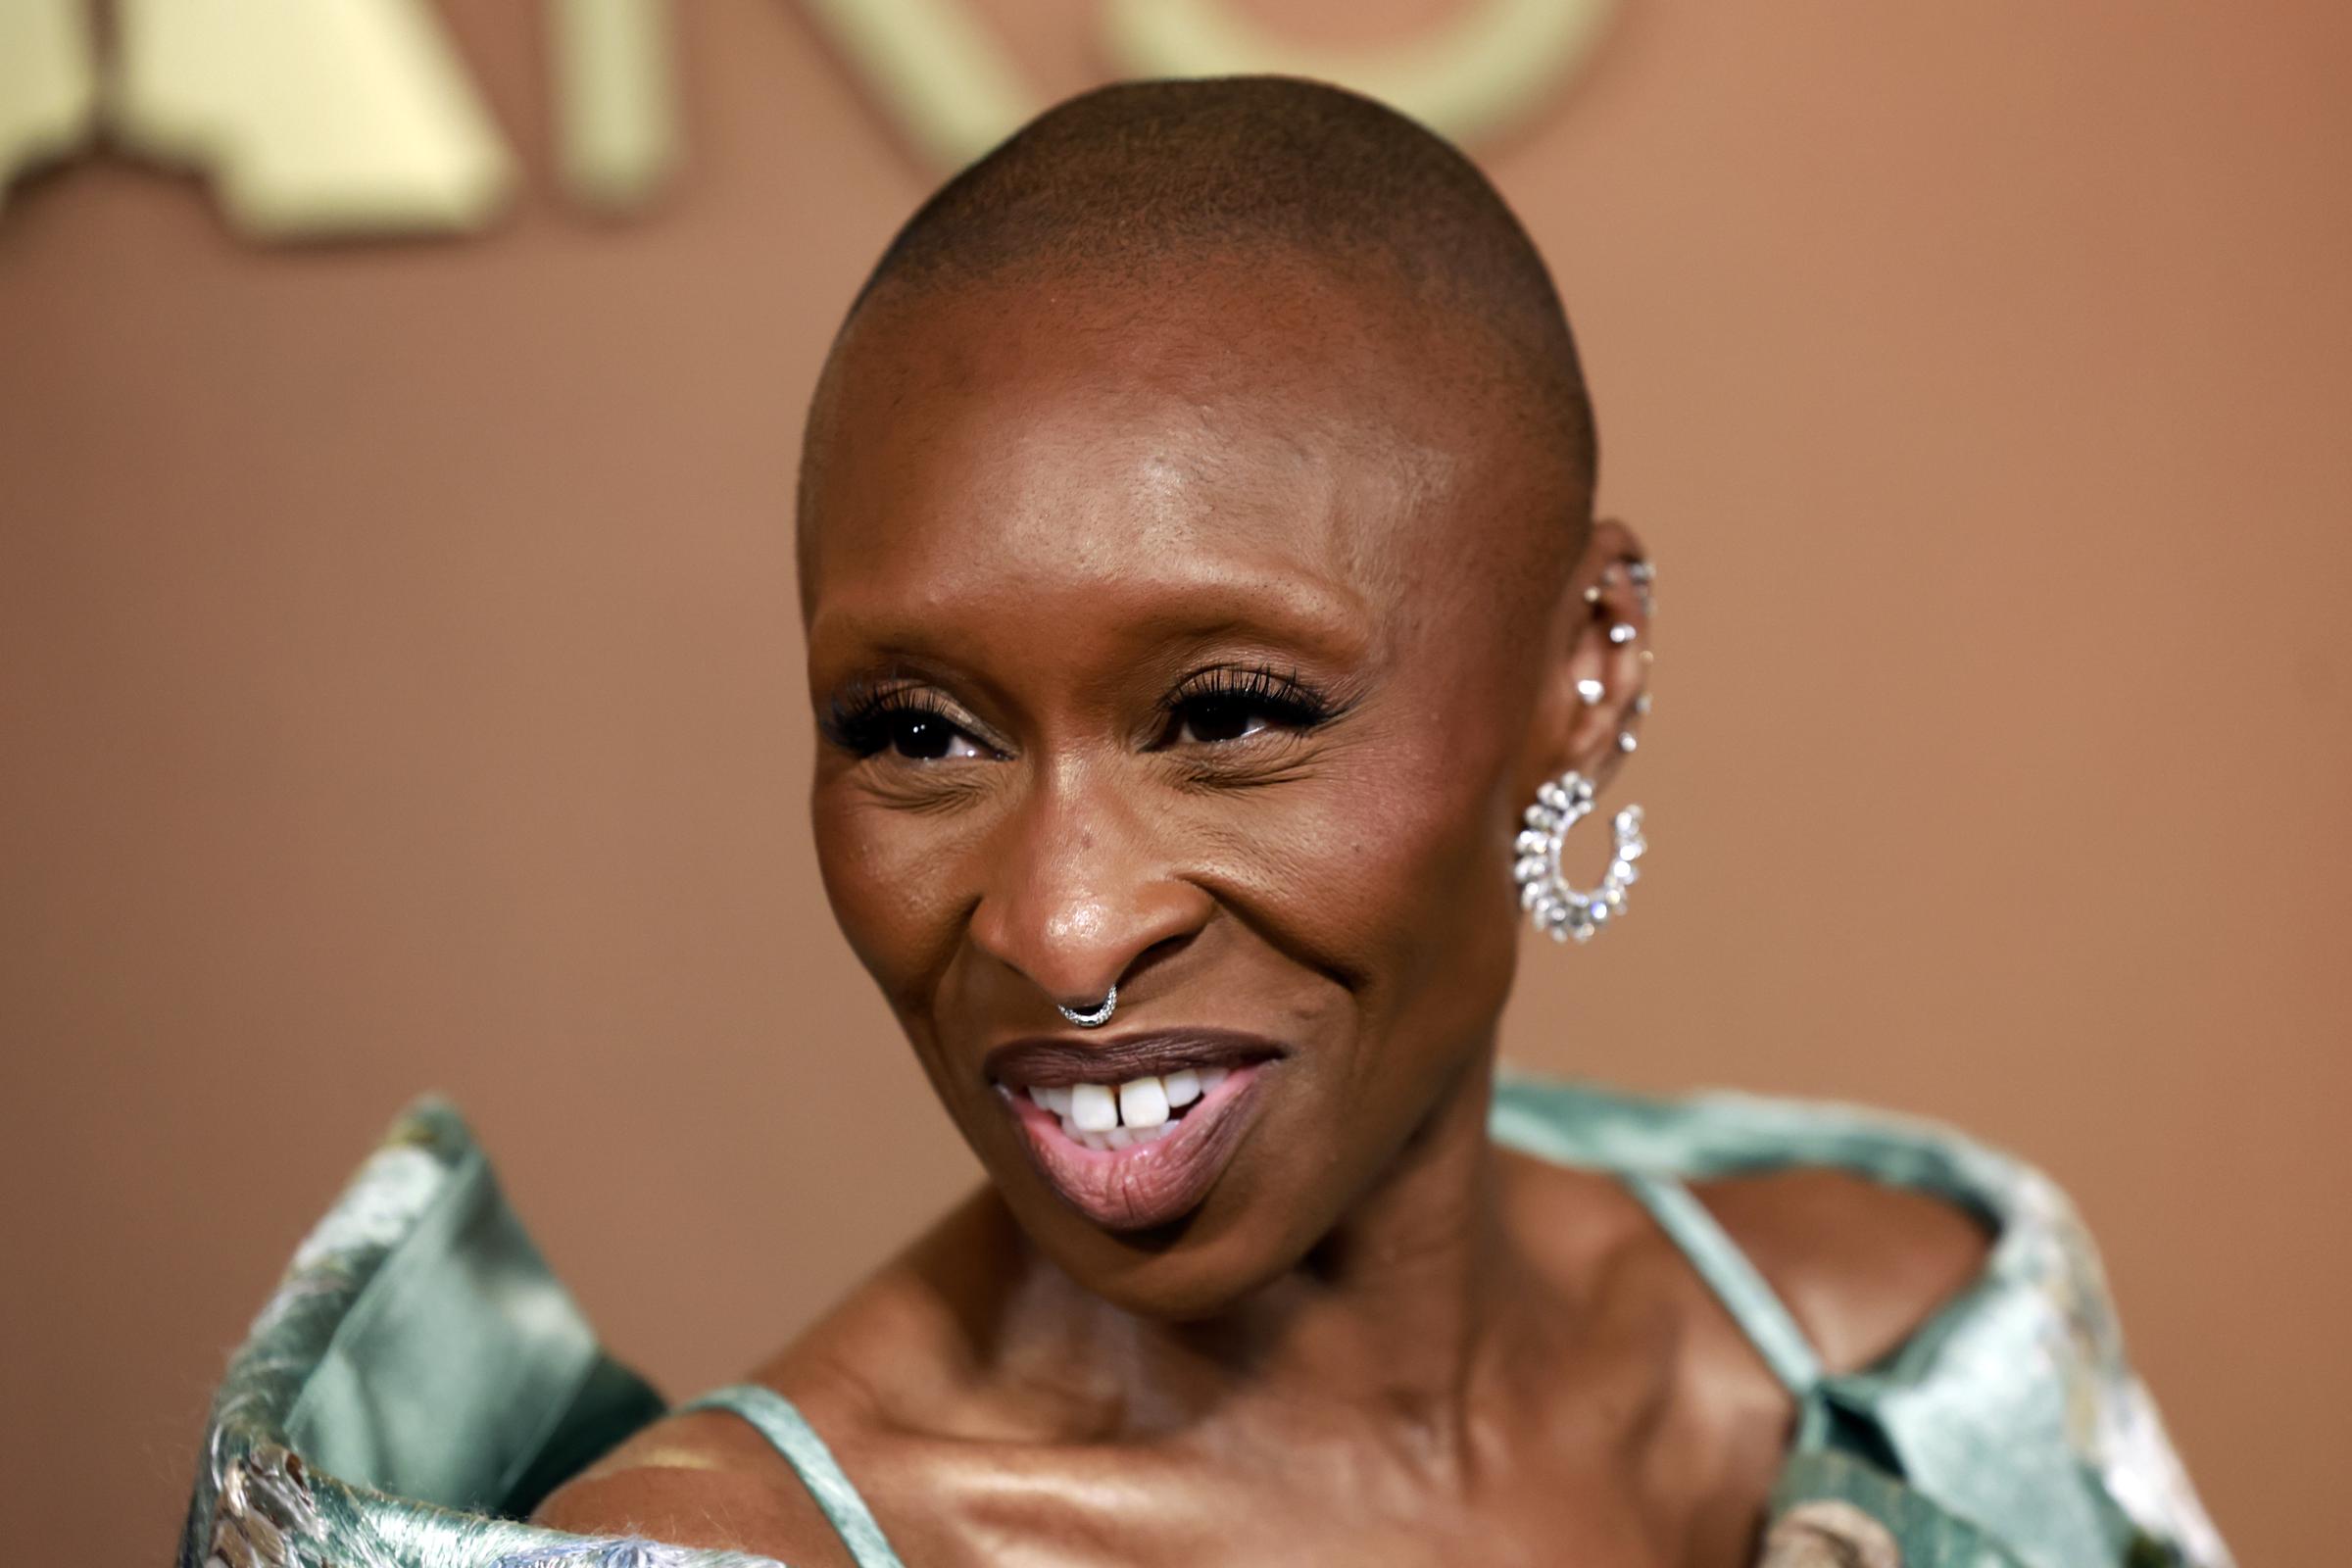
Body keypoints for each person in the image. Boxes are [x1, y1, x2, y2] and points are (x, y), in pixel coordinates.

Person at [182, 77, 2230, 1568]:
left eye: (1230, 715)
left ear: (1583, 661)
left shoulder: (1911, 1352)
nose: (1062, 932)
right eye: (918, 735)